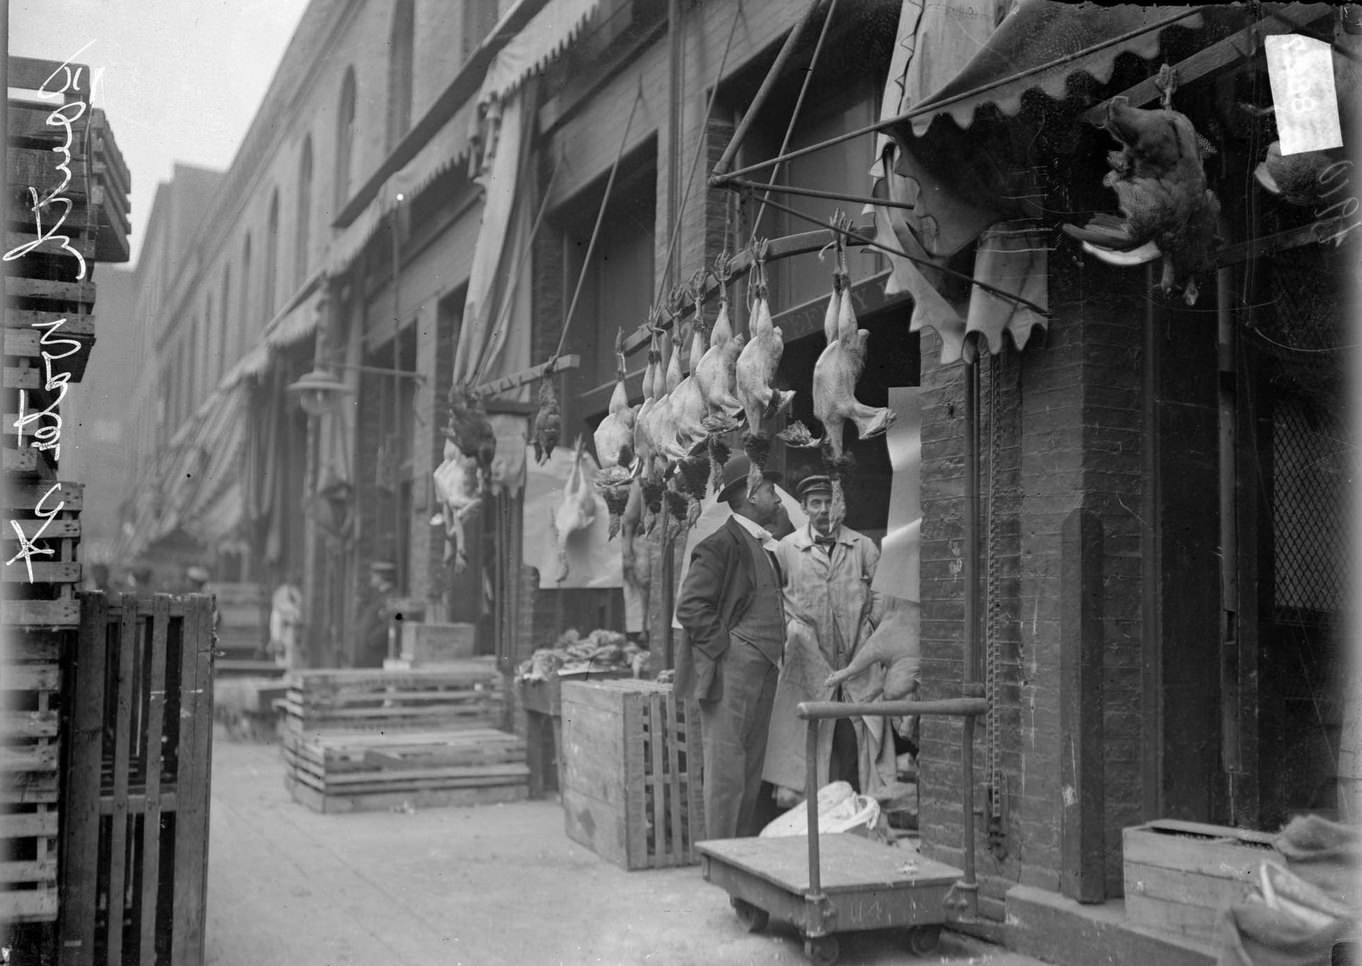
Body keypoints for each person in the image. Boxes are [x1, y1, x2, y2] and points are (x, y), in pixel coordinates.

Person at [763, 474, 897, 806]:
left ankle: (861, 807)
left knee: (858, 736)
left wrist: (869, 628)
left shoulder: (862, 546)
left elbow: (883, 594)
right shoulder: (787, 549)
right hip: (808, 660)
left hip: (856, 657)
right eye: (816, 504)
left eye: (830, 502)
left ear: (841, 506)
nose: (824, 510)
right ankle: (809, 812)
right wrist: (793, 632)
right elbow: (774, 598)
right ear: (805, 509)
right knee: (810, 731)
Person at [675, 454, 786, 840]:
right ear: (752, 495)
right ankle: (719, 861)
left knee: (749, 773)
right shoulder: (720, 544)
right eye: (773, 491)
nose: (780, 500)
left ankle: (738, 862)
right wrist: (727, 649)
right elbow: (690, 607)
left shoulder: (766, 547)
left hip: (764, 670)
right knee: (726, 774)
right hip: (731, 675)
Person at [357, 561, 397, 667]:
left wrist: (373, 639)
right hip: (368, 655)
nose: (372, 578)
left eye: (374, 575)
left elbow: (398, 618)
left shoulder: (391, 598)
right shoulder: (378, 596)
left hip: (377, 656)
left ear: (383, 577)